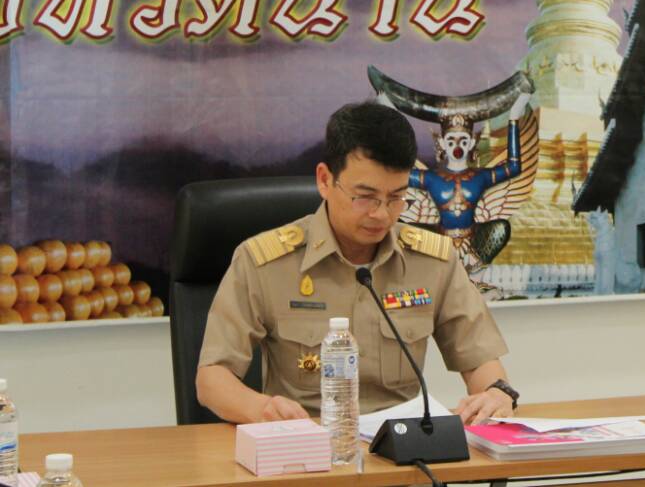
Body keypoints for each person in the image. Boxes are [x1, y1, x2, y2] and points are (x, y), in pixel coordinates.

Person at [197, 101, 519, 424]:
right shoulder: (263, 262)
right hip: (305, 451)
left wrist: (495, 393)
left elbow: (480, 361)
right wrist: (262, 409)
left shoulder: (433, 261)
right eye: (365, 196)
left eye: (396, 197)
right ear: (324, 180)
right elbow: (212, 379)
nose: (381, 213)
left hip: (403, 457)